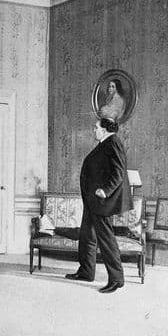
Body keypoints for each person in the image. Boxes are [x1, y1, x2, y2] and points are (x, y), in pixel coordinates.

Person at [65, 118, 133, 293]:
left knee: (106, 240)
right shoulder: (104, 143)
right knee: (87, 235)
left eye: (96, 127)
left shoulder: (113, 142)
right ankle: (86, 272)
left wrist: (106, 191)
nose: (93, 130)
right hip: (92, 200)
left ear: (104, 129)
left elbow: (119, 172)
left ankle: (116, 279)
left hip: (101, 201)